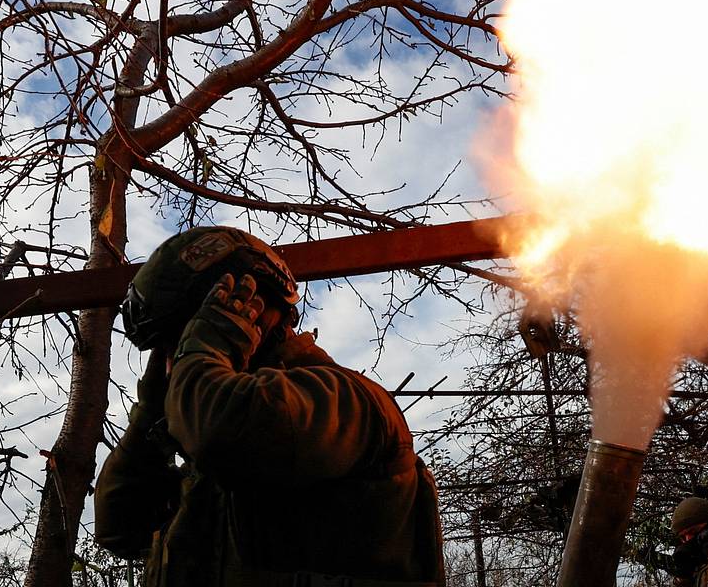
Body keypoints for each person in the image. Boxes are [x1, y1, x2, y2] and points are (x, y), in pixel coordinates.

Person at [94, 226, 445, 587]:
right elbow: (120, 528)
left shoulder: (343, 399)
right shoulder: (220, 444)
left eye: (180, 344)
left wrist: (207, 349)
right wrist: (150, 416)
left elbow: (221, 431)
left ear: (247, 309)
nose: (172, 364)